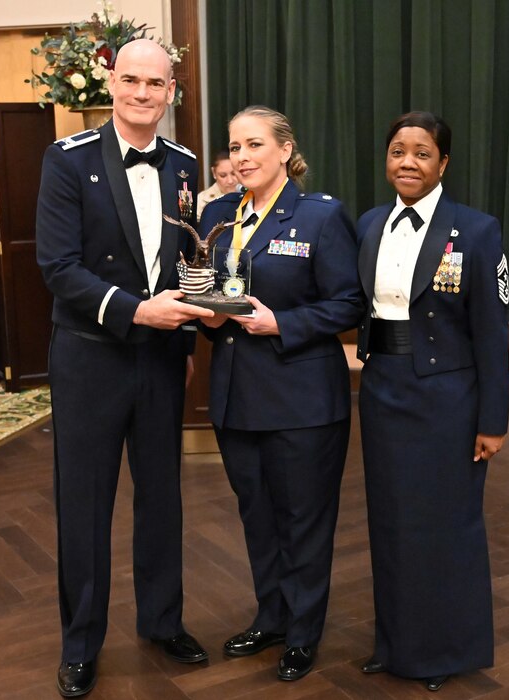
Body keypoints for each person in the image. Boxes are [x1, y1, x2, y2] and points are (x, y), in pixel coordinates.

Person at [36, 39, 215, 698]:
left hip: (164, 359)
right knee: (84, 505)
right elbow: (58, 268)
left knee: (162, 497)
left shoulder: (186, 165)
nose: (143, 94)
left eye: (155, 84)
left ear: (172, 91)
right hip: (91, 356)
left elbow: (192, 262)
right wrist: (139, 313)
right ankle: (81, 643)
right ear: (112, 81)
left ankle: (163, 621)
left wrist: (197, 326)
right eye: (131, 81)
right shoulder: (66, 160)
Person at [197, 106, 363, 682]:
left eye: (253, 145)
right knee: (258, 516)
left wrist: (283, 323)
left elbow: (348, 303)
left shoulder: (320, 217)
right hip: (235, 395)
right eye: (234, 146)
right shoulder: (218, 215)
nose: (241, 156)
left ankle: (303, 631)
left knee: (303, 519)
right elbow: (208, 288)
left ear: (285, 151)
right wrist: (206, 316)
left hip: (301, 399)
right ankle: (270, 615)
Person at [355, 111, 509, 692]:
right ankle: (393, 644)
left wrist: (493, 419)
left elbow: (492, 334)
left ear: (443, 164)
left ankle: (444, 650)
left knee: (445, 526)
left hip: (447, 399)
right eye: (398, 151)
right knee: (391, 524)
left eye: (422, 153)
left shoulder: (475, 230)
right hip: (383, 391)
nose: (408, 162)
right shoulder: (370, 223)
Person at [197, 150, 239, 219]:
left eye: (234, 174)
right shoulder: (202, 201)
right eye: (223, 175)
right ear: (214, 173)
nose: (230, 181)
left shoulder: (253, 194)